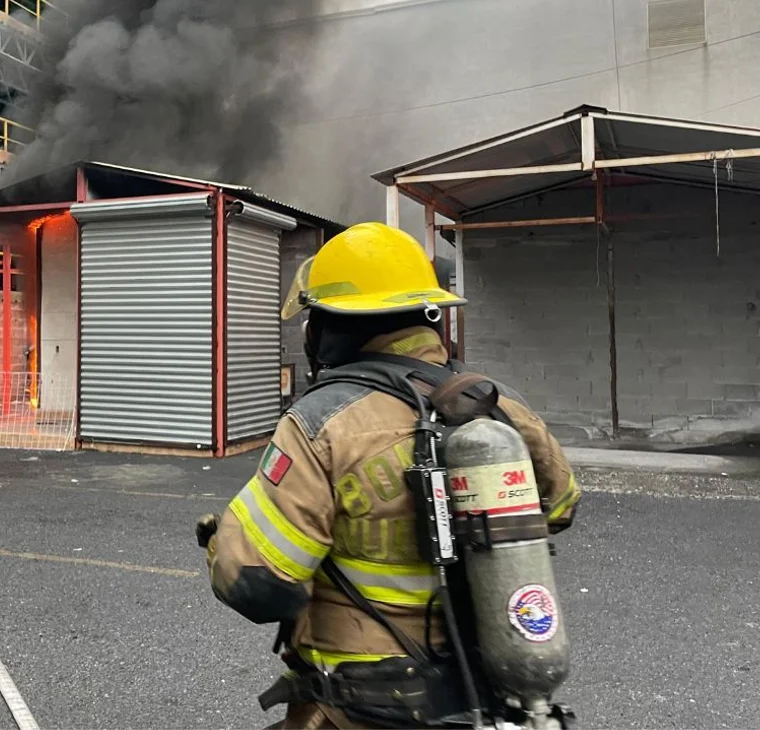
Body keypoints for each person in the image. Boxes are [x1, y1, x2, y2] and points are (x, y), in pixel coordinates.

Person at [196, 223, 581, 729]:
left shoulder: (321, 424)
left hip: (361, 706)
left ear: (330, 327)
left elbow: (258, 583)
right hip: (487, 694)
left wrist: (220, 544)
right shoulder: (498, 406)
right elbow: (561, 505)